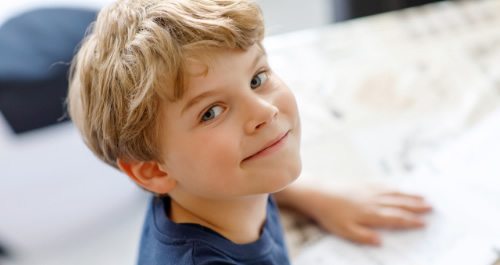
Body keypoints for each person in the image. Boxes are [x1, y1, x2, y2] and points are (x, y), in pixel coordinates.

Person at [67, 0, 432, 264]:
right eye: (211, 112)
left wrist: (317, 197)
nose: (265, 111)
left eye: (257, 78)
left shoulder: (217, 186)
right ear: (154, 171)